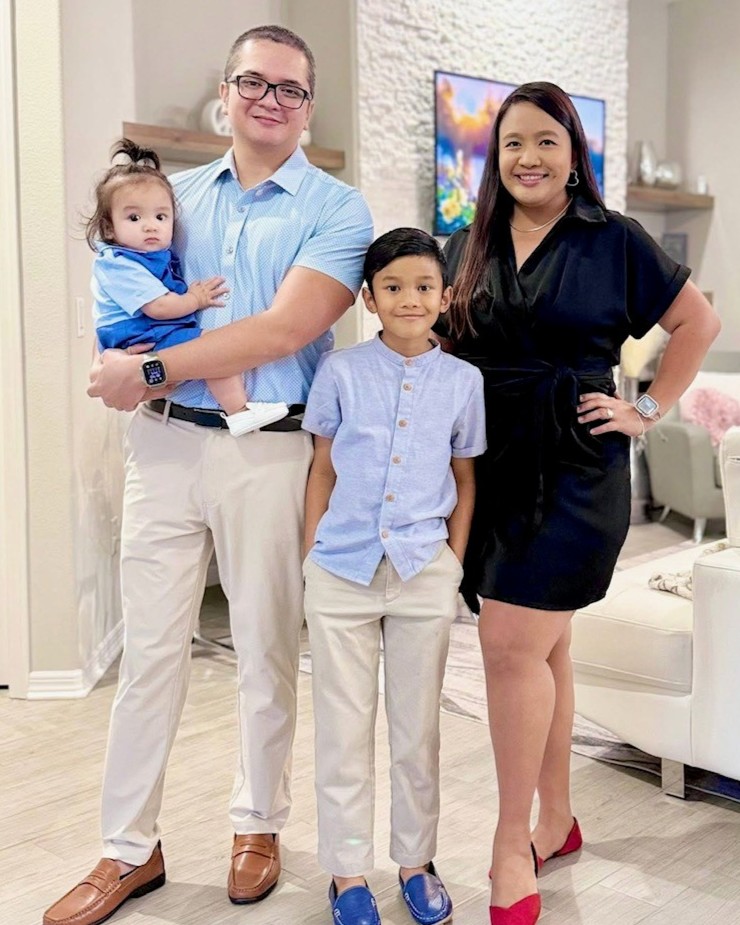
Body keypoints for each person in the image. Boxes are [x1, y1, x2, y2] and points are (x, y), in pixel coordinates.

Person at [43, 24, 373, 925]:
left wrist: (146, 369)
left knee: (265, 646)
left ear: (309, 107)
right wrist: (129, 366)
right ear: (225, 93)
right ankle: (127, 847)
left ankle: (257, 823)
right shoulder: (170, 199)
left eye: (290, 88)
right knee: (149, 652)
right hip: (162, 445)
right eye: (253, 82)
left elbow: (283, 330)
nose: (271, 100)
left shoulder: (338, 210)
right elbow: (122, 292)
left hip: (272, 448)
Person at [434, 82, 720, 925]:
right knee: (544, 645)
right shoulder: (467, 243)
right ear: (496, 157)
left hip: (574, 463)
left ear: (573, 155)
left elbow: (697, 323)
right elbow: (441, 345)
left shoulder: (613, 238)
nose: (528, 157)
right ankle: (556, 818)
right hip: (487, 464)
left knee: (507, 644)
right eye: (513, 143)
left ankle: (507, 843)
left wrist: (648, 408)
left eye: (546, 142)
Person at [302, 227, 486, 925]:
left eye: (423, 286)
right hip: (341, 571)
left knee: (417, 731)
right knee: (342, 730)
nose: (410, 298)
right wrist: (311, 555)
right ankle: (348, 873)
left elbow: (464, 478)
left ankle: (416, 862)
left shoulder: (464, 382)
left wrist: (452, 562)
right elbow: (322, 469)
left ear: (446, 295)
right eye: (393, 287)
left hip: (422, 571)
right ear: (369, 298)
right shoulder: (340, 372)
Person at [87, 137, 289, 436]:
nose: (150, 225)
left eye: (161, 216)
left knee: (208, 353)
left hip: (147, 334)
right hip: (143, 332)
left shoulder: (147, 254)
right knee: (214, 351)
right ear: (108, 227)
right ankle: (239, 411)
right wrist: (195, 299)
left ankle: (236, 411)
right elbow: (159, 307)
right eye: (134, 217)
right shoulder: (120, 263)